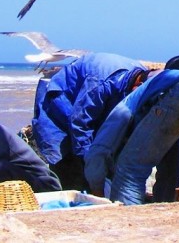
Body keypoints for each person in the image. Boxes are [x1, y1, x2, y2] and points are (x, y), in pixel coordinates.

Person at [84, 55, 179, 205]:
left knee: (130, 170)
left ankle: (126, 220)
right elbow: (169, 163)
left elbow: (104, 141)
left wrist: (96, 187)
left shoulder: (150, 86)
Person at [32, 53, 151, 190]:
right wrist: (90, 163)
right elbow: (80, 123)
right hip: (60, 101)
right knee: (67, 162)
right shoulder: (99, 83)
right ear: (138, 86)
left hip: (90, 103)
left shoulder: (143, 77)